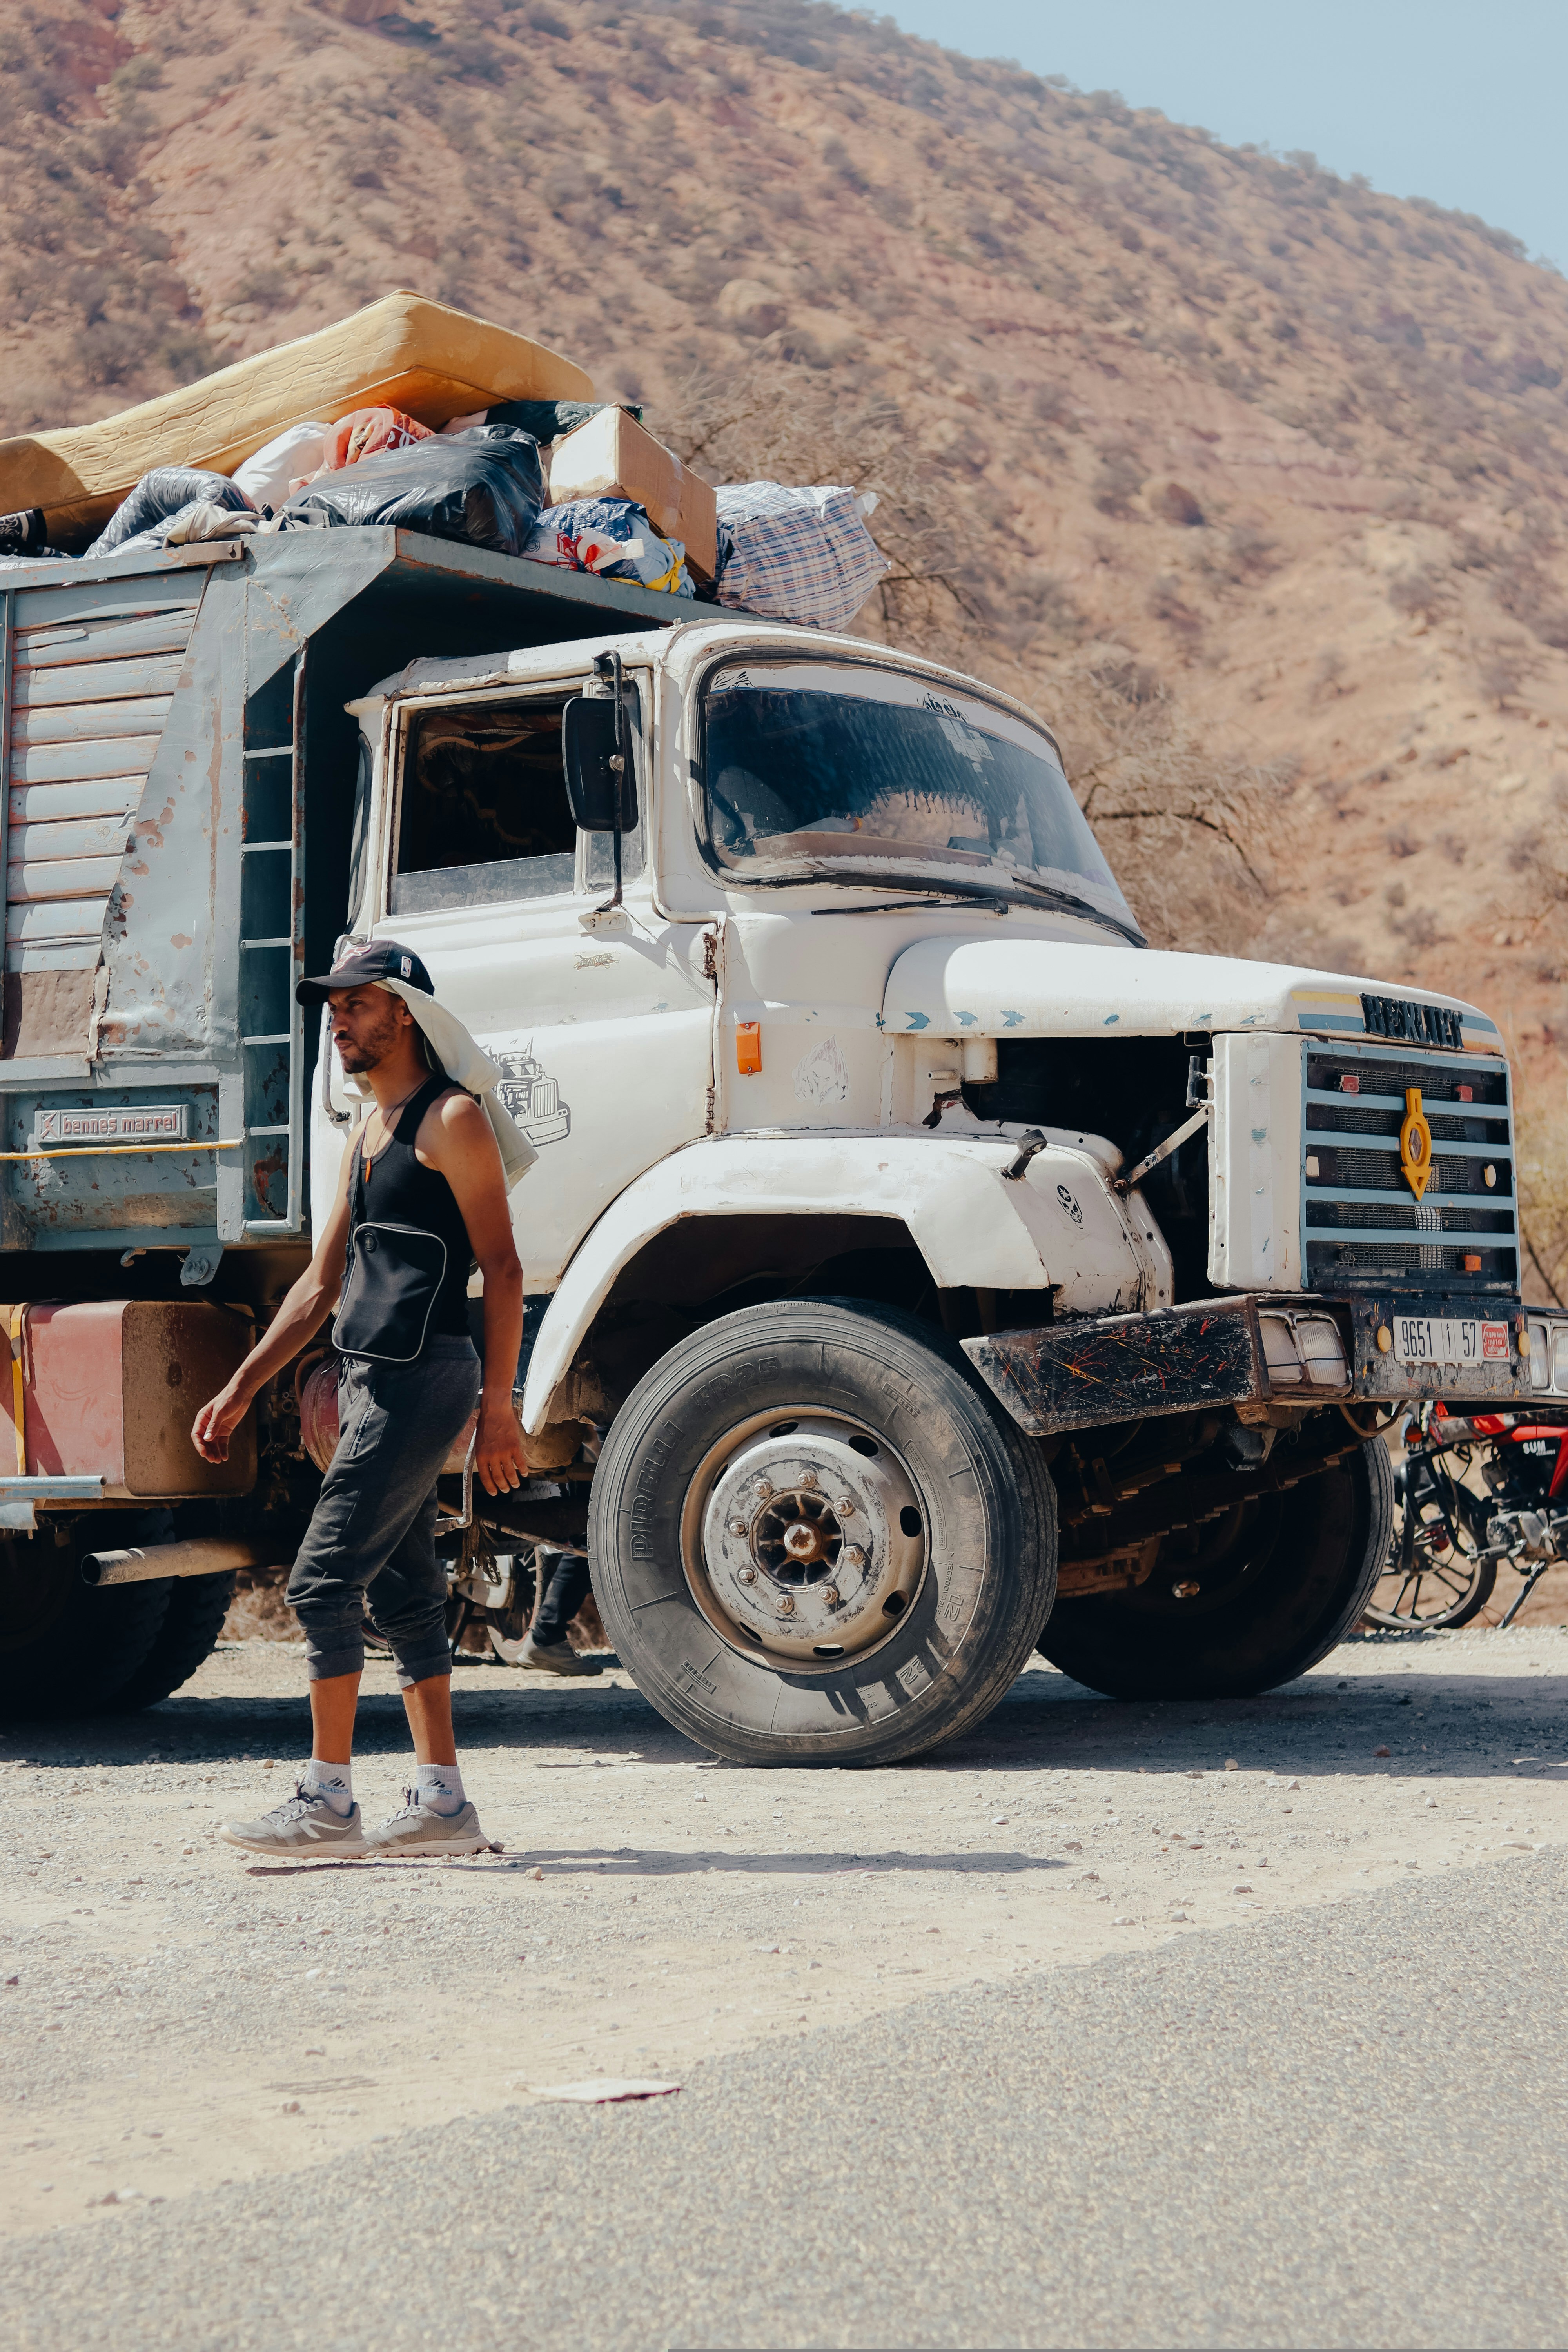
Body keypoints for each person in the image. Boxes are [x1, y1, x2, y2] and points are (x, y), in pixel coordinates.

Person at [192, 940, 535, 1858]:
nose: (335, 1019)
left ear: (404, 1011)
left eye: (353, 1004)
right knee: (405, 1589)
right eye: (332, 1006)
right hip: (368, 1377)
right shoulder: (368, 1130)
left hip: (428, 1377)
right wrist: (239, 1386)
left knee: (320, 1578)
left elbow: (502, 1268)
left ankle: (328, 1804)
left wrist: (498, 1406)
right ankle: (443, 1806)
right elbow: (317, 1286)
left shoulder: (451, 1120)